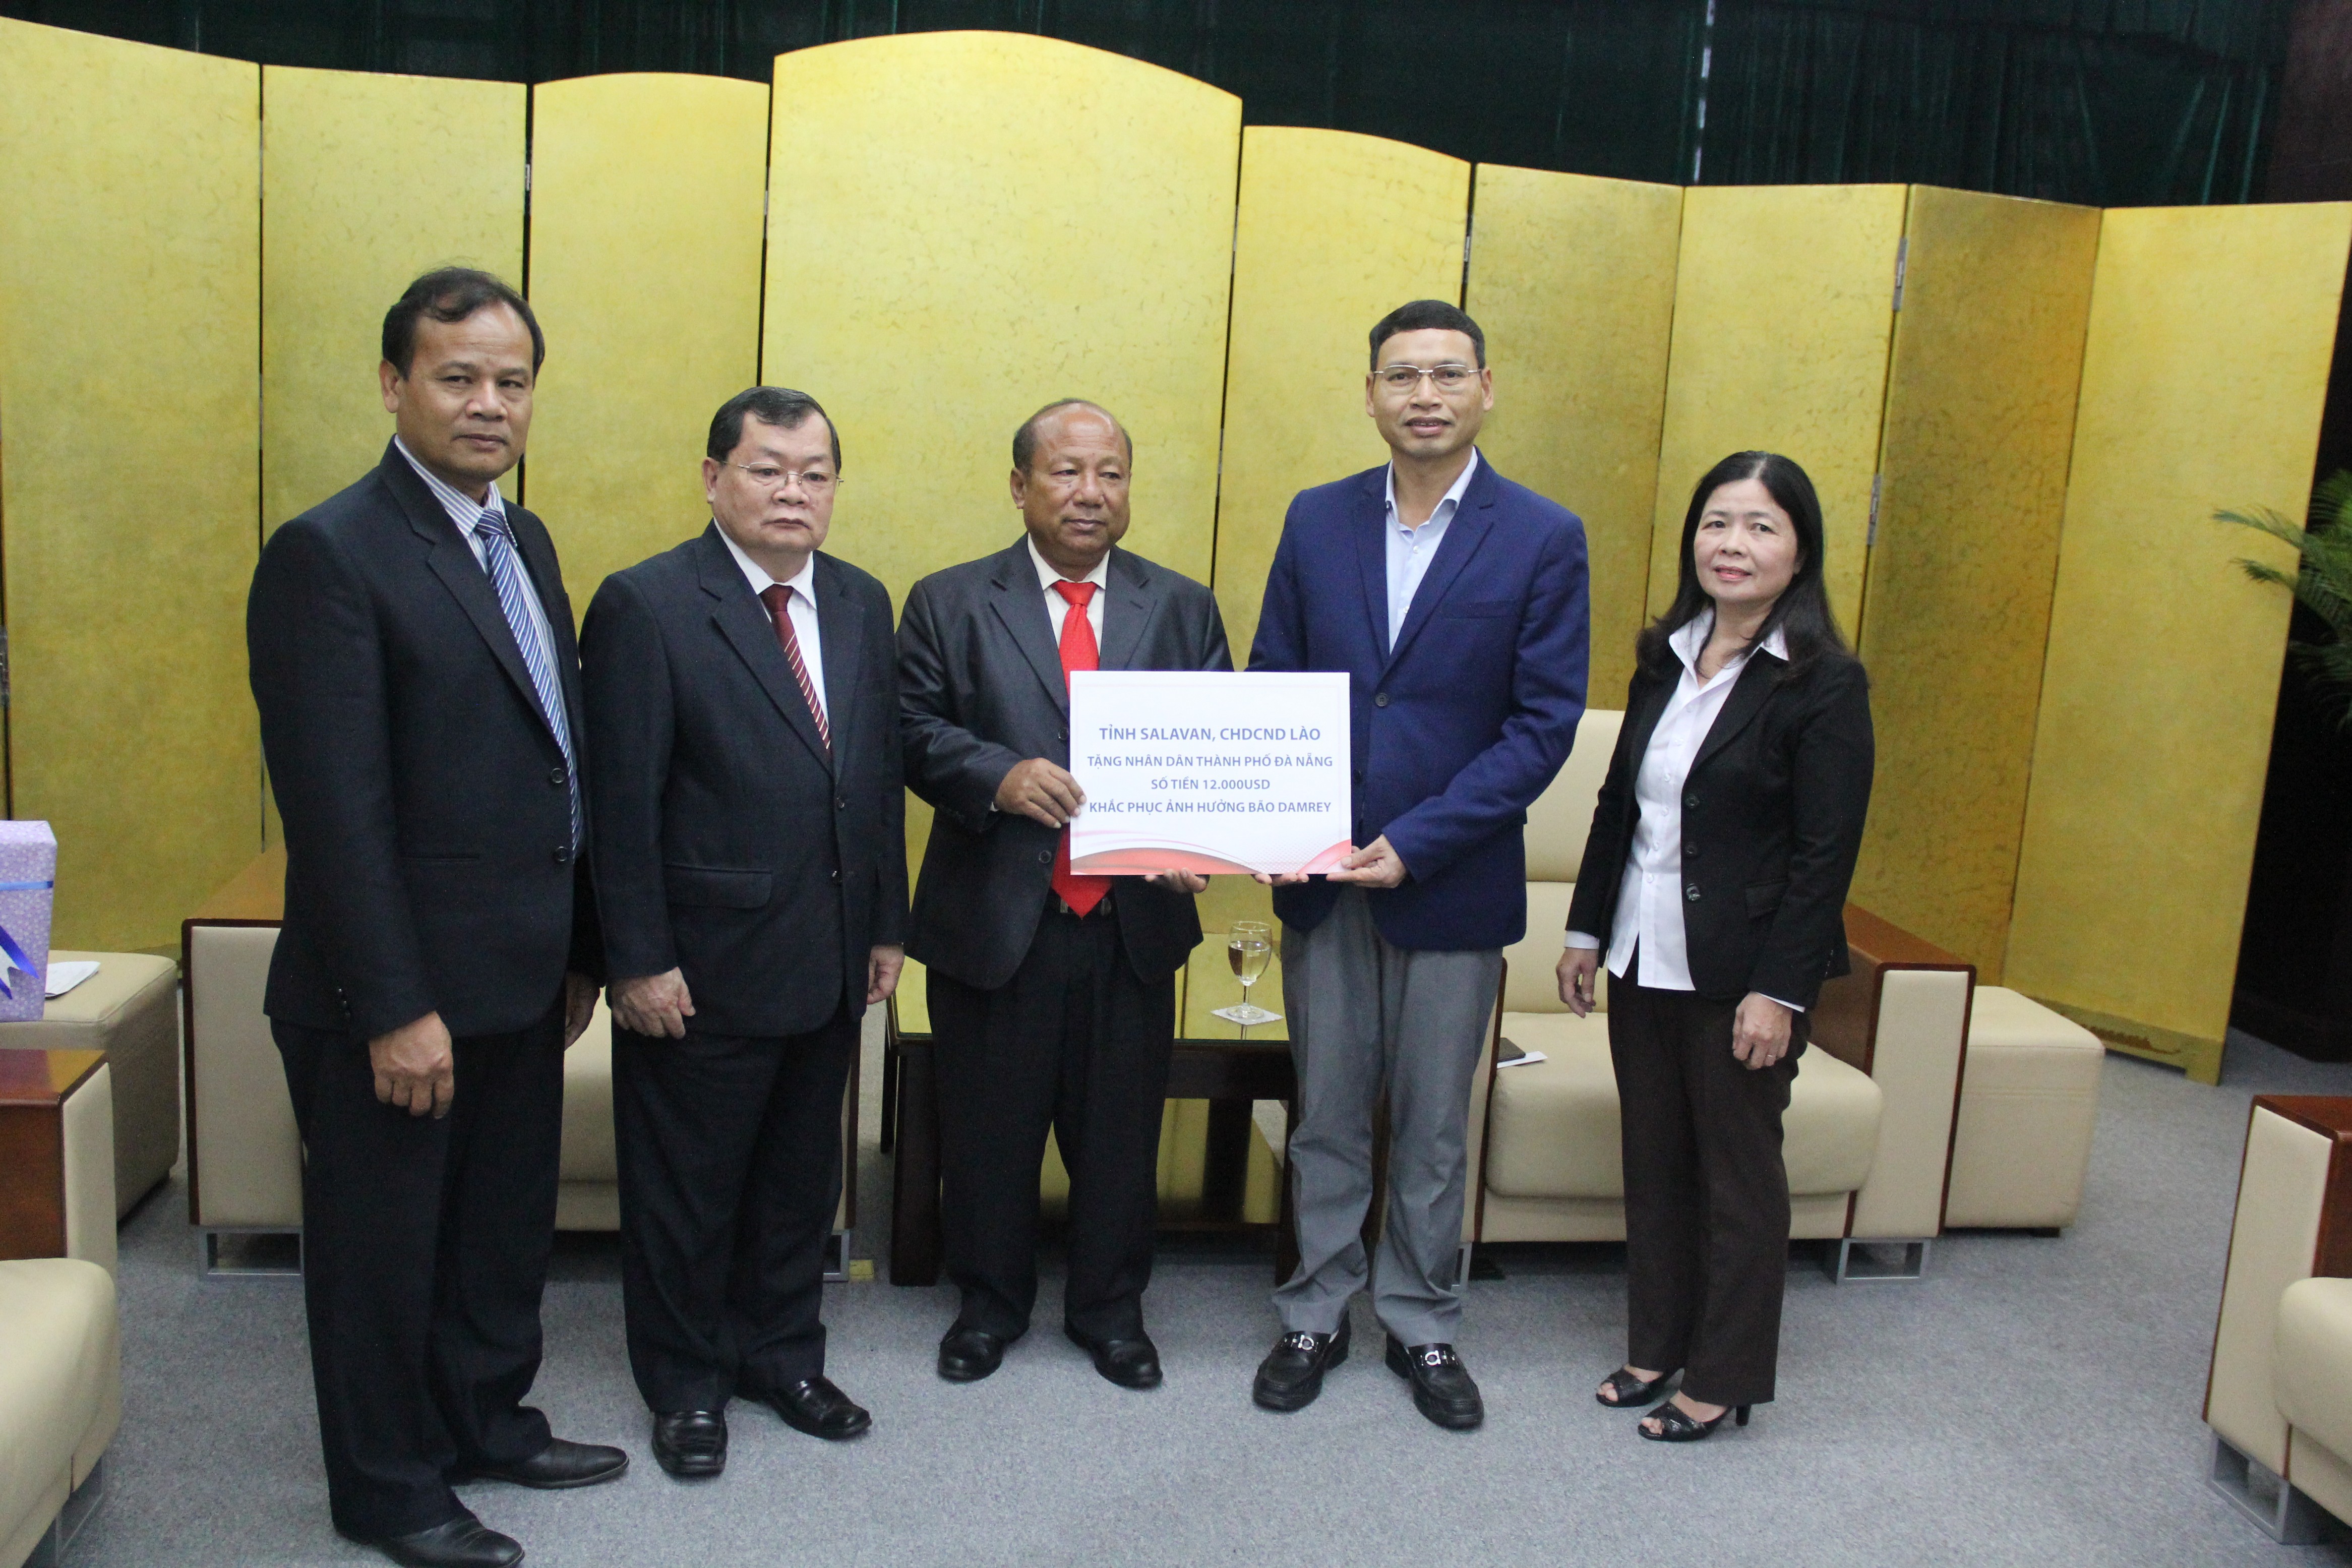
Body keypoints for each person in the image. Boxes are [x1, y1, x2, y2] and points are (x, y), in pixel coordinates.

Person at [246, 268, 622, 1568]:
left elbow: (555, 758)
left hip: (519, 975)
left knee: (494, 1234)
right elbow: (336, 815)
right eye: (456, 377)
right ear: (394, 385)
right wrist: (395, 1007)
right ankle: (389, 1484)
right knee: (380, 1254)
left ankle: (483, 1418)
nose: (486, 404)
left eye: (510, 382)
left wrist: (580, 949)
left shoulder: (524, 541)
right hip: (392, 996)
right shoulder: (330, 551)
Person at [1247, 300, 1588, 1429]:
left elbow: (1540, 728)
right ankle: (1314, 1307)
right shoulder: (1314, 519)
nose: (1424, 395)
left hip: (1450, 879)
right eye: (1401, 376)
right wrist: (1281, 826)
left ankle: (1424, 1321)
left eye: (1447, 374)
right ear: (1370, 395)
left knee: (1435, 1120)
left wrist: (1421, 840)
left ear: (1485, 387)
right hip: (1320, 869)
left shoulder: (1542, 535)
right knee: (1328, 1111)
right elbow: (1273, 682)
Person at [580, 387, 906, 1479]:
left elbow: (873, 776)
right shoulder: (648, 604)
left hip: (827, 956)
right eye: (767, 469)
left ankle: (780, 1353)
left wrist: (886, 922)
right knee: (687, 1193)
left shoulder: (861, 601)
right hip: (698, 968)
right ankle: (683, 1383)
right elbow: (618, 803)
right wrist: (634, 956)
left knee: (796, 1184)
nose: (792, 493)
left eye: (814, 473)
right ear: (713, 476)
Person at [897, 399, 1231, 1389]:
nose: (1091, 493)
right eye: (1066, 472)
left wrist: (1197, 836)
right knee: (988, 1129)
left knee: (1120, 1134)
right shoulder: (948, 601)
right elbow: (909, 728)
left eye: (1111, 474)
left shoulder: (1180, 605)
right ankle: (988, 1304)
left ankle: (1109, 1310)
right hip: (998, 915)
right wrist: (994, 773)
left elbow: (1211, 739)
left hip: (1130, 921)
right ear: (1019, 486)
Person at [1559, 450, 1874, 1442]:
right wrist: (1580, 927)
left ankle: (1724, 1374)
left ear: (1799, 550)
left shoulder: (1822, 681)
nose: (1731, 545)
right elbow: (1619, 804)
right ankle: (1655, 1343)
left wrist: (1779, 992)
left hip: (1740, 973)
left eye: (1759, 526)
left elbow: (1825, 856)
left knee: (1735, 1175)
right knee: (1651, 1160)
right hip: (1638, 956)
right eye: (1715, 524)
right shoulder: (1663, 653)